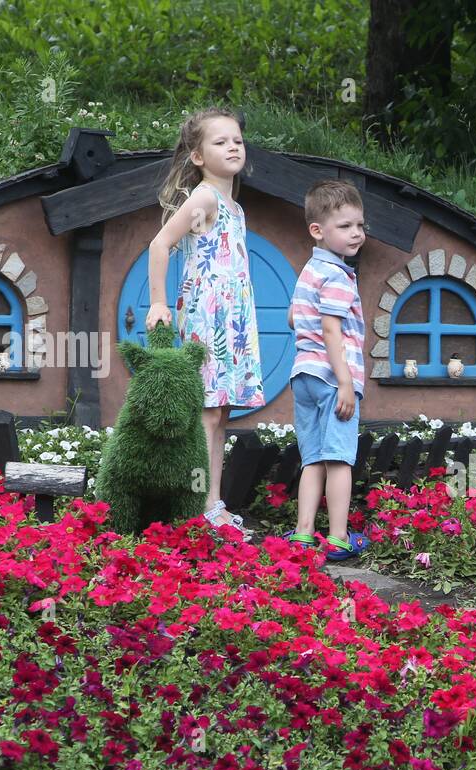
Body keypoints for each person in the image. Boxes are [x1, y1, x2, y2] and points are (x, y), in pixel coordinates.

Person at [145, 107, 265, 539]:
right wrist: (158, 302)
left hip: (231, 321)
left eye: (237, 140)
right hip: (207, 319)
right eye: (220, 142)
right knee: (207, 414)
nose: (233, 146)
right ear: (197, 156)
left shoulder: (234, 206)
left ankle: (213, 503)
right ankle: (196, 504)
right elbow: (161, 244)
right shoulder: (205, 198)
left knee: (221, 412)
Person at [284, 179, 372, 562]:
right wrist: (346, 382)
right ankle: (338, 537)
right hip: (332, 378)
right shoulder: (338, 276)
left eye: (360, 225)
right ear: (318, 231)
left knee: (313, 458)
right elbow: (331, 329)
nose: (356, 233)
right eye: (345, 226)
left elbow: (292, 317)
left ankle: (303, 533)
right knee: (339, 458)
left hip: (303, 374)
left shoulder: (310, 270)